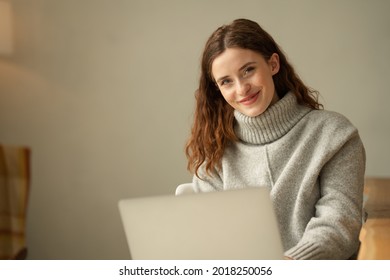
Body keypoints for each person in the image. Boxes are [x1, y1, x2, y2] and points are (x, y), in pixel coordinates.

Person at [184, 18, 366, 260]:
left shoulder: (334, 134)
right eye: (226, 81)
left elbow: (339, 224)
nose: (241, 89)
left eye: (248, 70)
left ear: (273, 64)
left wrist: (286, 266)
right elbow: (209, 236)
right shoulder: (215, 149)